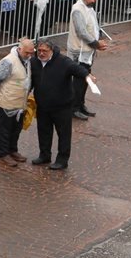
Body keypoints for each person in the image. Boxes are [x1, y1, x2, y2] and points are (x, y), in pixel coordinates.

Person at [28, 39, 91, 170]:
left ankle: (62, 160)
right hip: (43, 105)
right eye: (39, 51)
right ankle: (44, 155)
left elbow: (77, 69)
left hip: (62, 106)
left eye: (44, 51)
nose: (41, 53)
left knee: (63, 134)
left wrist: (87, 76)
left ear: (51, 51)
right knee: (44, 131)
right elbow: (31, 81)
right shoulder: (34, 62)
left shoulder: (63, 62)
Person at [0, 39, 33, 166]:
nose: (29, 55)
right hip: (6, 102)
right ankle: (3, 154)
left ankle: (13, 150)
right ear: (20, 49)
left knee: (16, 128)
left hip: (19, 103)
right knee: (5, 129)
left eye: (31, 53)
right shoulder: (8, 61)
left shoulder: (26, 60)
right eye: (27, 53)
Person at [65, 0, 107, 119]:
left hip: (88, 51)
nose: (93, 0)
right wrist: (96, 43)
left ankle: (81, 105)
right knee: (78, 81)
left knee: (85, 80)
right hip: (79, 51)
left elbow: (94, 26)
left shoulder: (90, 8)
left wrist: (98, 39)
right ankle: (74, 108)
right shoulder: (78, 9)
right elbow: (81, 32)